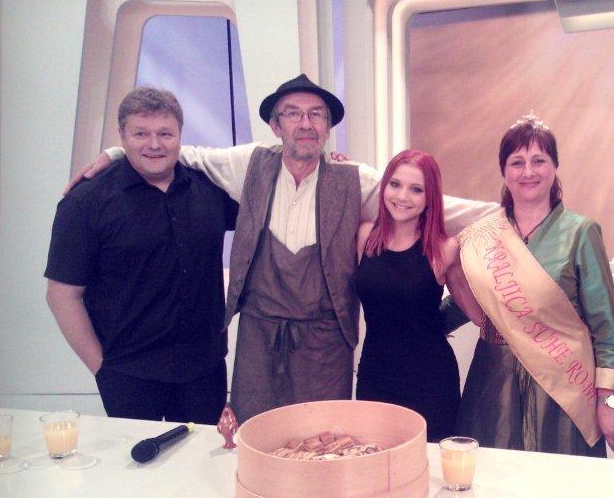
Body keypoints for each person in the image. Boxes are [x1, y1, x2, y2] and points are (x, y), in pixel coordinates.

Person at [72, 74, 493, 423]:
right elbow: (182, 153)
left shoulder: (354, 179)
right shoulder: (247, 163)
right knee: (256, 439)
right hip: (259, 338)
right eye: (292, 113)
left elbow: (436, 204)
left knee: (325, 440)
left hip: (326, 342)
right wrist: (116, 152)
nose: (305, 123)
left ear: (327, 127)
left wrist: (511, 214)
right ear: (275, 125)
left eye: (316, 114)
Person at [45, 87, 238, 424]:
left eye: (165, 134)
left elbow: (271, 188)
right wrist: (102, 368)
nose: (154, 144)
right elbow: (62, 295)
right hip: (129, 373)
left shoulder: (212, 189)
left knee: (200, 457)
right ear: (122, 136)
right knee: (137, 459)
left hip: (204, 368)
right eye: (141, 134)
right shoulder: (85, 202)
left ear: (180, 135)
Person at [454, 115, 614, 457]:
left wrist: (609, 401)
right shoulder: (484, 236)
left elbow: (607, 329)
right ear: (503, 171)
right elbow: (462, 305)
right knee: (493, 479)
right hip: (493, 381)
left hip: (561, 389)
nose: (528, 172)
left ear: (555, 166)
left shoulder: (580, 233)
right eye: (517, 162)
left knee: (561, 481)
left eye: (539, 160)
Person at [355, 149, 484, 441]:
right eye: (395, 184)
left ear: (430, 197)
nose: (402, 196)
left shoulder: (444, 249)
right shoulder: (364, 237)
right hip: (375, 375)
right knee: (374, 458)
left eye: (416, 189)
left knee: (431, 465)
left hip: (430, 382)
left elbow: (477, 314)